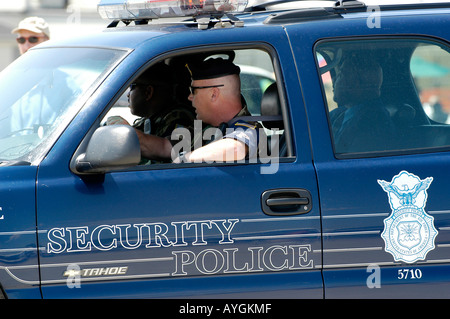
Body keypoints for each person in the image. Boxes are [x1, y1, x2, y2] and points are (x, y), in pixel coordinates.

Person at [129, 57, 259, 163]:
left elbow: (235, 148)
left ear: (213, 94)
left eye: (193, 91)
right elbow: (164, 146)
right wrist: (130, 134)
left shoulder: (248, 129)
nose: (189, 97)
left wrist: (185, 159)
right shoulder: (203, 129)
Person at [107, 62, 195, 163]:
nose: (128, 95)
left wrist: (125, 133)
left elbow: (165, 160)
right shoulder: (150, 120)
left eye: (132, 86)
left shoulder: (179, 118)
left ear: (148, 92)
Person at [330, 58, 396, 153]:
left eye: (341, 75)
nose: (334, 80)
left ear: (357, 84)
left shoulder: (373, 126)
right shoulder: (340, 113)